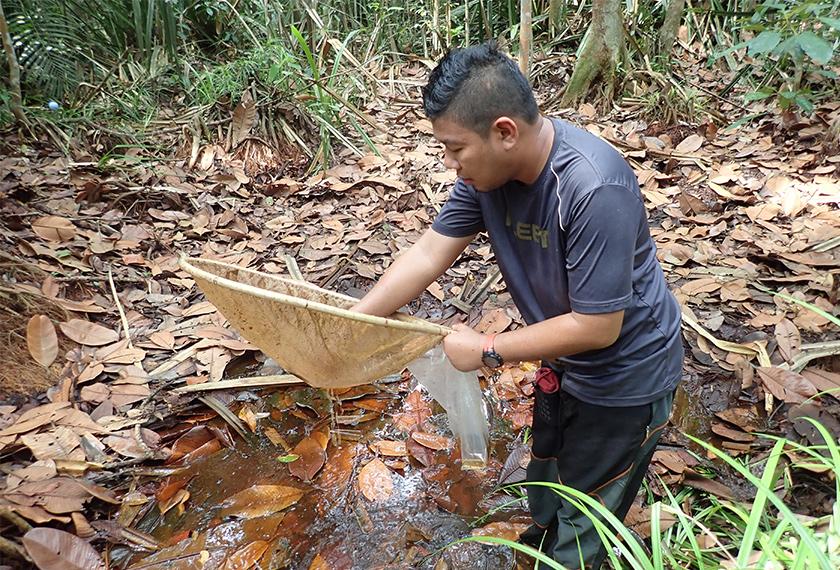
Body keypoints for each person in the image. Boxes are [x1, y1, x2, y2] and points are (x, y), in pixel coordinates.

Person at [351, 41, 684, 569]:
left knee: (586, 521)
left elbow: (599, 326)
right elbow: (428, 252)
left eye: (456, 148)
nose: (449, 163)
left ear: (504, 132)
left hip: (626, 379)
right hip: (564, 361)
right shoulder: (486, 179)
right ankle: (541, 544)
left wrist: (488, 348)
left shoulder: (592, 187)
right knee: (549, 479)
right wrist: (353, 323)